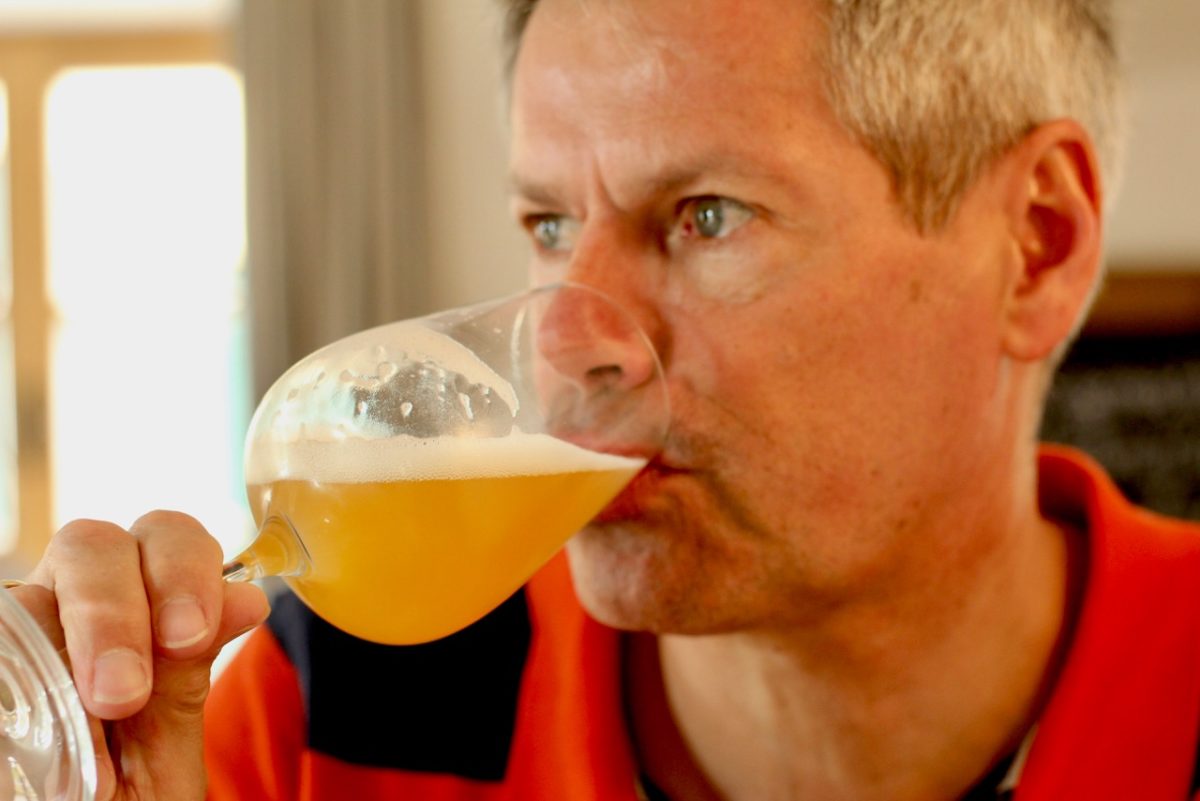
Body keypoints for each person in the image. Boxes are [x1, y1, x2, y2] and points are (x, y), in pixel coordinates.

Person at [12, 0, 1200, 799]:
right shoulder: (340, 705)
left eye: (707, 216)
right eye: (549, 223)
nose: (566, 341)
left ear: (1037, 247)